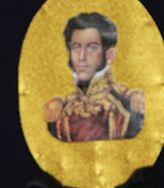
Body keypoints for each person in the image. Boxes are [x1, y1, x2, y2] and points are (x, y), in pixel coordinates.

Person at [43, 12, 145, 142]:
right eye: (76, 47)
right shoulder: (60, 108)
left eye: (92, 47)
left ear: (109, 55)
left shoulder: (127, 106)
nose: (81, 57)